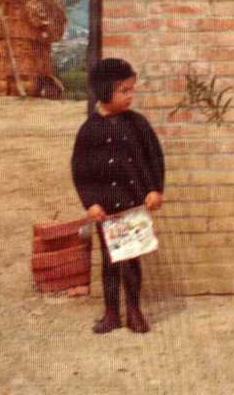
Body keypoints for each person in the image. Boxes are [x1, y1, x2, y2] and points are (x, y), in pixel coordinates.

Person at [71, 58, 164, 334]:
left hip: (133, 204)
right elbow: (80, 170)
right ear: (104, 91)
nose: (130, 95)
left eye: (131, 89)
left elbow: (155, 158)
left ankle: (134, 310)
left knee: (132, 259)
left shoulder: (138, 124)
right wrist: (90, 203)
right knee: (110, 261)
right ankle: (111, 313)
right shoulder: (89, 131)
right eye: (124, 90)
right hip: (106, 209)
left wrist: (155, 189)